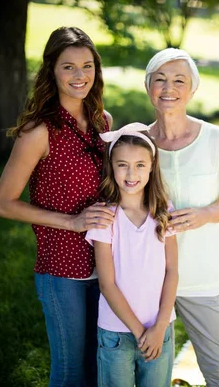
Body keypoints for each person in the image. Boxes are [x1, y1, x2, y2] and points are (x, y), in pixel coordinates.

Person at [0, 27, 114, 386]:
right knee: (70, 371)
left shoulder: (103, 124)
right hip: (62, 270)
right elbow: (3, 203)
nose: (80, 76)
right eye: (69, 67)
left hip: (107, 264)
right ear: (52, 72)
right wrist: (73, 221)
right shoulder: (39, 131)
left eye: (87, 66)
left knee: (99, 363)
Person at [145, 48, 219, 386]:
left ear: (192, 90)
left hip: (201, 272)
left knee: (216, 369)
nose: (168, 88)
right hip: (148, 278)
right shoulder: (138, 141)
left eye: (179, 81)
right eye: (160, 80)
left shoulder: (216, 138)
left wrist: (204, 215)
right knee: (152, 371)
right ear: (148, 87)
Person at [86, 123, 178, 387]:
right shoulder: (104, 217)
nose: (131, 173)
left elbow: (172, 271)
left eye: (140, 165)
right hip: (116, 333)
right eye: (122, 164)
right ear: (111, 167)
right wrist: (141, 334)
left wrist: (159, 327)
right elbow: (107, 284)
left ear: (151, 167)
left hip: (160, 330)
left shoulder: (163, 212)